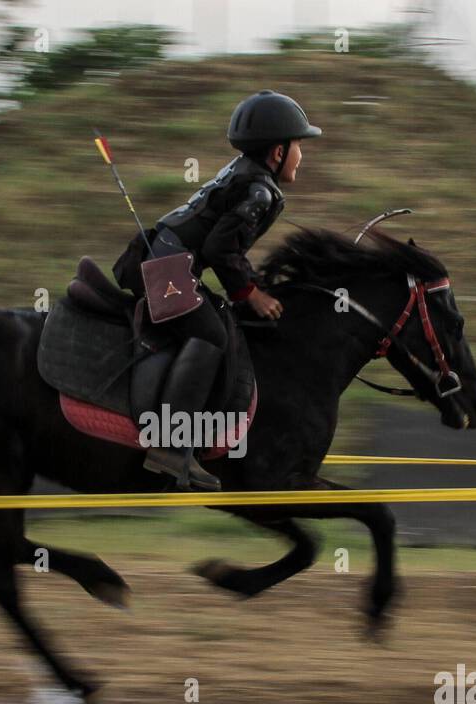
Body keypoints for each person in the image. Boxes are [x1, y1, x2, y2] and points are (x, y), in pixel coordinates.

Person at [112, 90, 321, 490]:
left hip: (163, 258)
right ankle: (170, 450)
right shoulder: (260, 191)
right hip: (164, 268)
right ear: (277, 152)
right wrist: (251, 294)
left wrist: (248, 285)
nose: (301, 155)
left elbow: (226, 249)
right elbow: (219, 250)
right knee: (210, 332)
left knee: (219, 319)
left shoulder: (246, 174)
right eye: (298, 146)